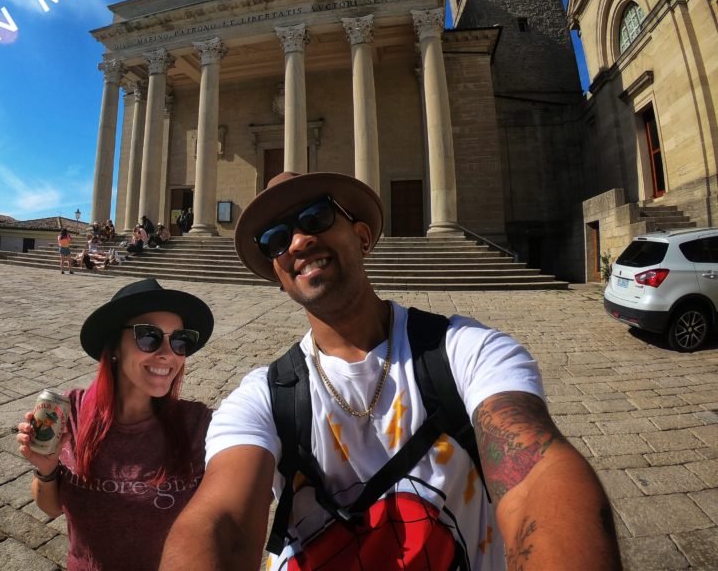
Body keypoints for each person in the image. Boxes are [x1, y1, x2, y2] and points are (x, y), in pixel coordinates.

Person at [161, 172, 621, 571]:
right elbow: (220, 521)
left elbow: (537, 477)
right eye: (275, 239)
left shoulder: (466, 353)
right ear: (279, 275)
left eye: (316, 217)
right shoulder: (264, 395)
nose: (298, 241)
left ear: (362, 236)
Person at [16, 278, 214, 571]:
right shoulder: (71, 411)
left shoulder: (199, 425)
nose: (168, 353)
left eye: (180, 340)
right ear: (114, 347)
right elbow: (51, 507)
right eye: (148, 336)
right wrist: (46, 470)